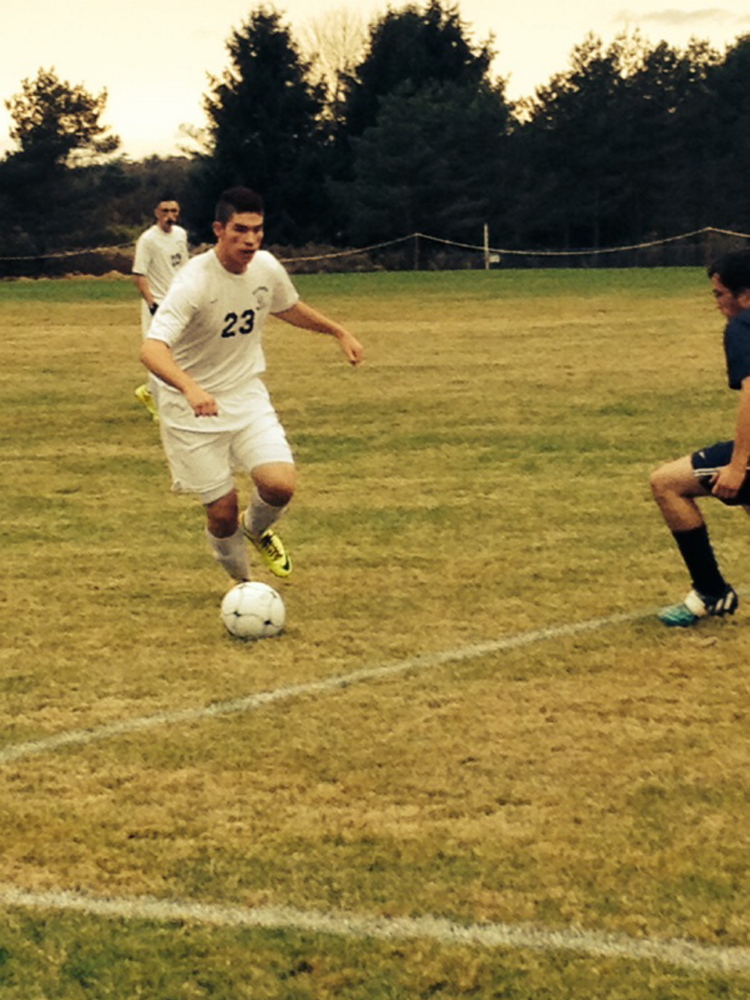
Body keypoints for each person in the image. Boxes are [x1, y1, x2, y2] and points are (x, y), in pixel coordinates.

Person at [139, 186, 364, 583]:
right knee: (221, 511)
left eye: (257, 231)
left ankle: (257, 530)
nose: (250, 240)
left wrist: (337, 332)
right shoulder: (193, 282)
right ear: (219, 230)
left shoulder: (266, 267)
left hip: (245, 396)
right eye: (240, 230)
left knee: (280, 485)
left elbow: (287, 307)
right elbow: (152, 350)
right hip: (190, 409)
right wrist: (190, 388)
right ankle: (245, 588)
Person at [650, 248, 750, 626]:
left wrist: (738, 465)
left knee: (666, 484)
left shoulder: (743, 327)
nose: (717, 304)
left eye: (719, 294)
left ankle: (711, 591)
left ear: (745, 295)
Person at [132, 194, 189, 420]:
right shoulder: (148, 240)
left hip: (178, 301)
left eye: (173, 211)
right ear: (156, 213)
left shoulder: (181, 235)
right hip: (157, 303)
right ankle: (159, 405)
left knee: (180, 352)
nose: (169, 216)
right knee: (158, 353)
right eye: (165, 211)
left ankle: (148, 391)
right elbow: (139, 274)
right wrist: (151, 303)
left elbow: (183, 266)